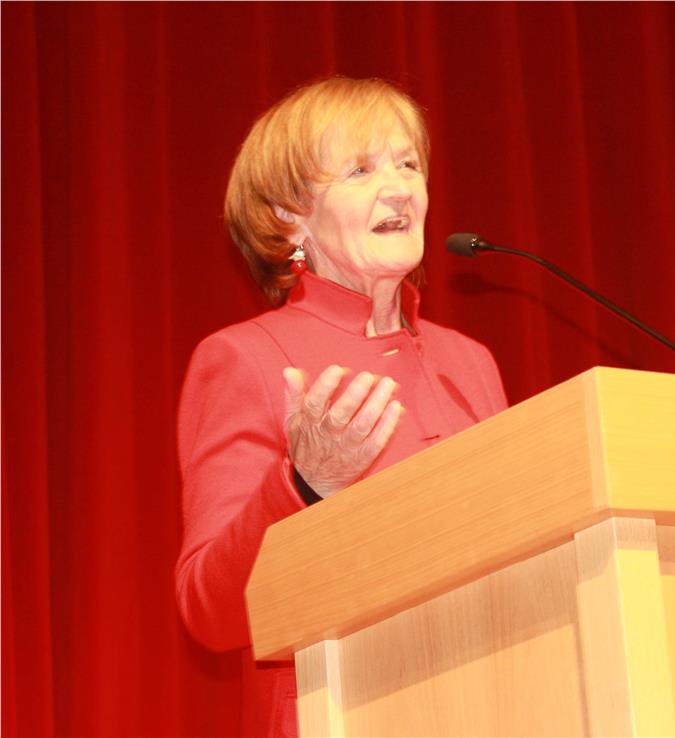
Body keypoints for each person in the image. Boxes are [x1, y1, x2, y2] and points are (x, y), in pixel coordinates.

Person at [175, 77, 507, 737]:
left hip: (497, 701)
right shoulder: (246, 358)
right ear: (288, 215)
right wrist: (304, 483)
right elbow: (209, 612)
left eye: (407, 164)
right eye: (360, 170)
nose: (399, 188)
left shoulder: (470, 361)